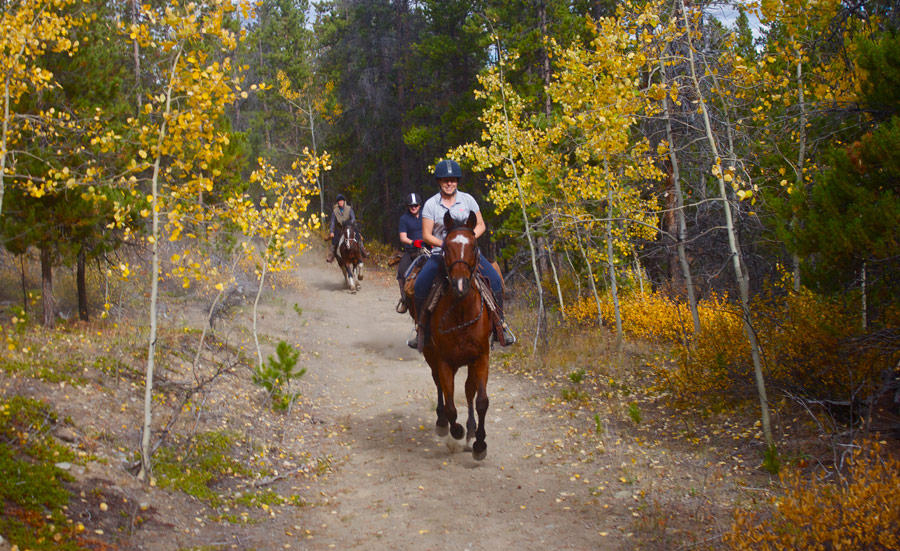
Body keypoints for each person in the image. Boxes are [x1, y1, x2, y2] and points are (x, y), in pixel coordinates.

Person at [407, 159, 516, 349]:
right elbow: (426, 234)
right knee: (421, 285)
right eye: (445, 180)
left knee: (495, 280)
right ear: (439, 182)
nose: (449, 183)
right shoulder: (431, 204)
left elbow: (480, 224)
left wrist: (468, 242)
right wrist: (449, 245)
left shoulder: (468, 200)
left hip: (469, 254)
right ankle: (420, 329)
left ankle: (501, 325)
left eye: (453, 180)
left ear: (457, 181)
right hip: (441, 254)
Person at [396, 192, 423, 313]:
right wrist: (413, 242)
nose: (414, 207)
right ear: (407, 206)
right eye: (411, 206)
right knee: (402, 272)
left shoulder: (426, 216)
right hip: (412, 252)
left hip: (427, 250)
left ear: (420, 205)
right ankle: (405, 300)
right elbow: (403, 237)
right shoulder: (404, 219)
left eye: (416, 205)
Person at [326, 194, 368, 263]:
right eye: (339, 201)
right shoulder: (335, 211)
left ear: (344, 201)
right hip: (340, 228)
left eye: (342, 201)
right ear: (337, 202)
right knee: (334, 239)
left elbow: (353, 218)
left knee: (358, 235)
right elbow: (332, 222)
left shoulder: (349, 209)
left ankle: (363, 250)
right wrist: (331, 231)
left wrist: (349, 224)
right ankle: (332, 254)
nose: (340, 202)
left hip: (349, 226)